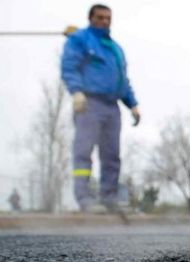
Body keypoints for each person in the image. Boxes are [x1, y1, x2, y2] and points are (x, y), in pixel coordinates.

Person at [61, 4, 141, 212]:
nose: (105, 21)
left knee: (112, 155)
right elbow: (69, 67)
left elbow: (122, 80)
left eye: (108, 18)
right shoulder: (80, 40)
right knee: (83, 151)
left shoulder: (116, 49)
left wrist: (133, 104)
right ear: (91, 18)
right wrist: (76, 91)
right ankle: (84, 198)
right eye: (100, 17)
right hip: (89, 103)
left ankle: (109, 198)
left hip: (112, 107)